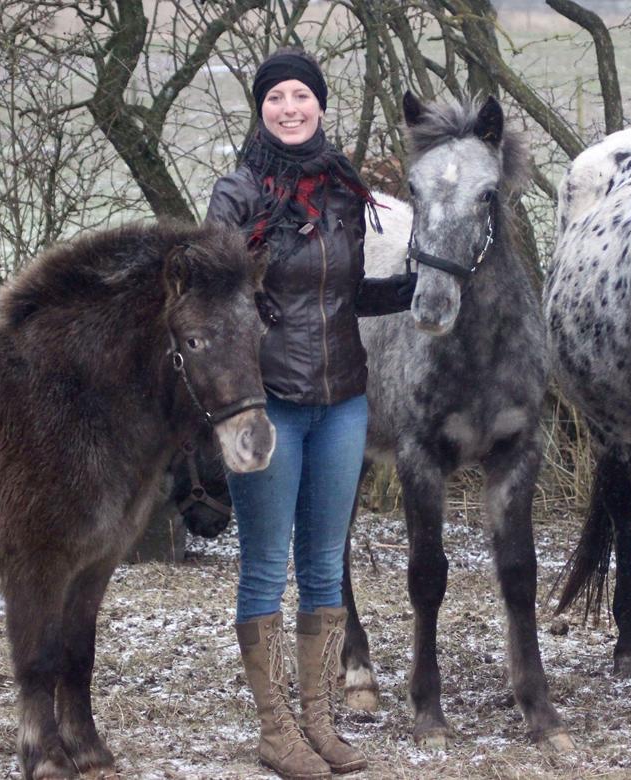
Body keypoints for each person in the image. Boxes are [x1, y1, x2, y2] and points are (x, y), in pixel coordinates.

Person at [205, 47, 415, 779]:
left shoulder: (341, 191)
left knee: (326, 566)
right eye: (276, 97)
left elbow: (344, 296)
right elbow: (215, 303)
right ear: (260, 108)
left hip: (343, 402)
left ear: (320, 105)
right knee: (265, 567)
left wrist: (425, 290)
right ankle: (275, 732)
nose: (290, 107)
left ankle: (320, 725)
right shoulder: (237, 193)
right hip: (264, 407)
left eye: (302, 95)